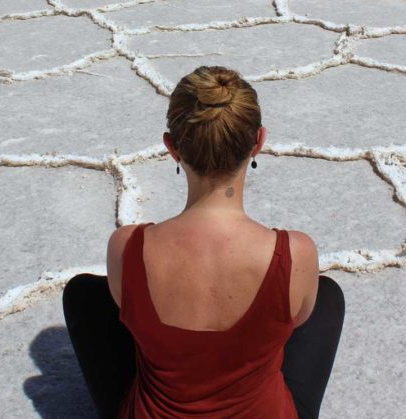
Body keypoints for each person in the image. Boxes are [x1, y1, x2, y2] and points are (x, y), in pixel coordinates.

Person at [63, 65, 345, 418]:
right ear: (259, 141)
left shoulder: (127, 246)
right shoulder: (296, 252)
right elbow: (299, 322)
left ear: (172, 148)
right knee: (324, 295)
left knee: (85, 294)